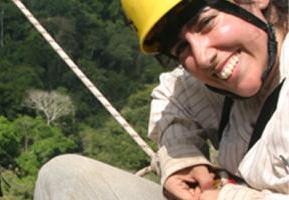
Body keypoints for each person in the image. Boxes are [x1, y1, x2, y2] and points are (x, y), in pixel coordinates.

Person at [34, 0, 288, 199]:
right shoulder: (218, 80)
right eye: (181, 48)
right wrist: (182, 159)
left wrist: (225, 196)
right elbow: (172, 95)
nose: (202, 57)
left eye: (207, 22)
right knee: (65, 176)